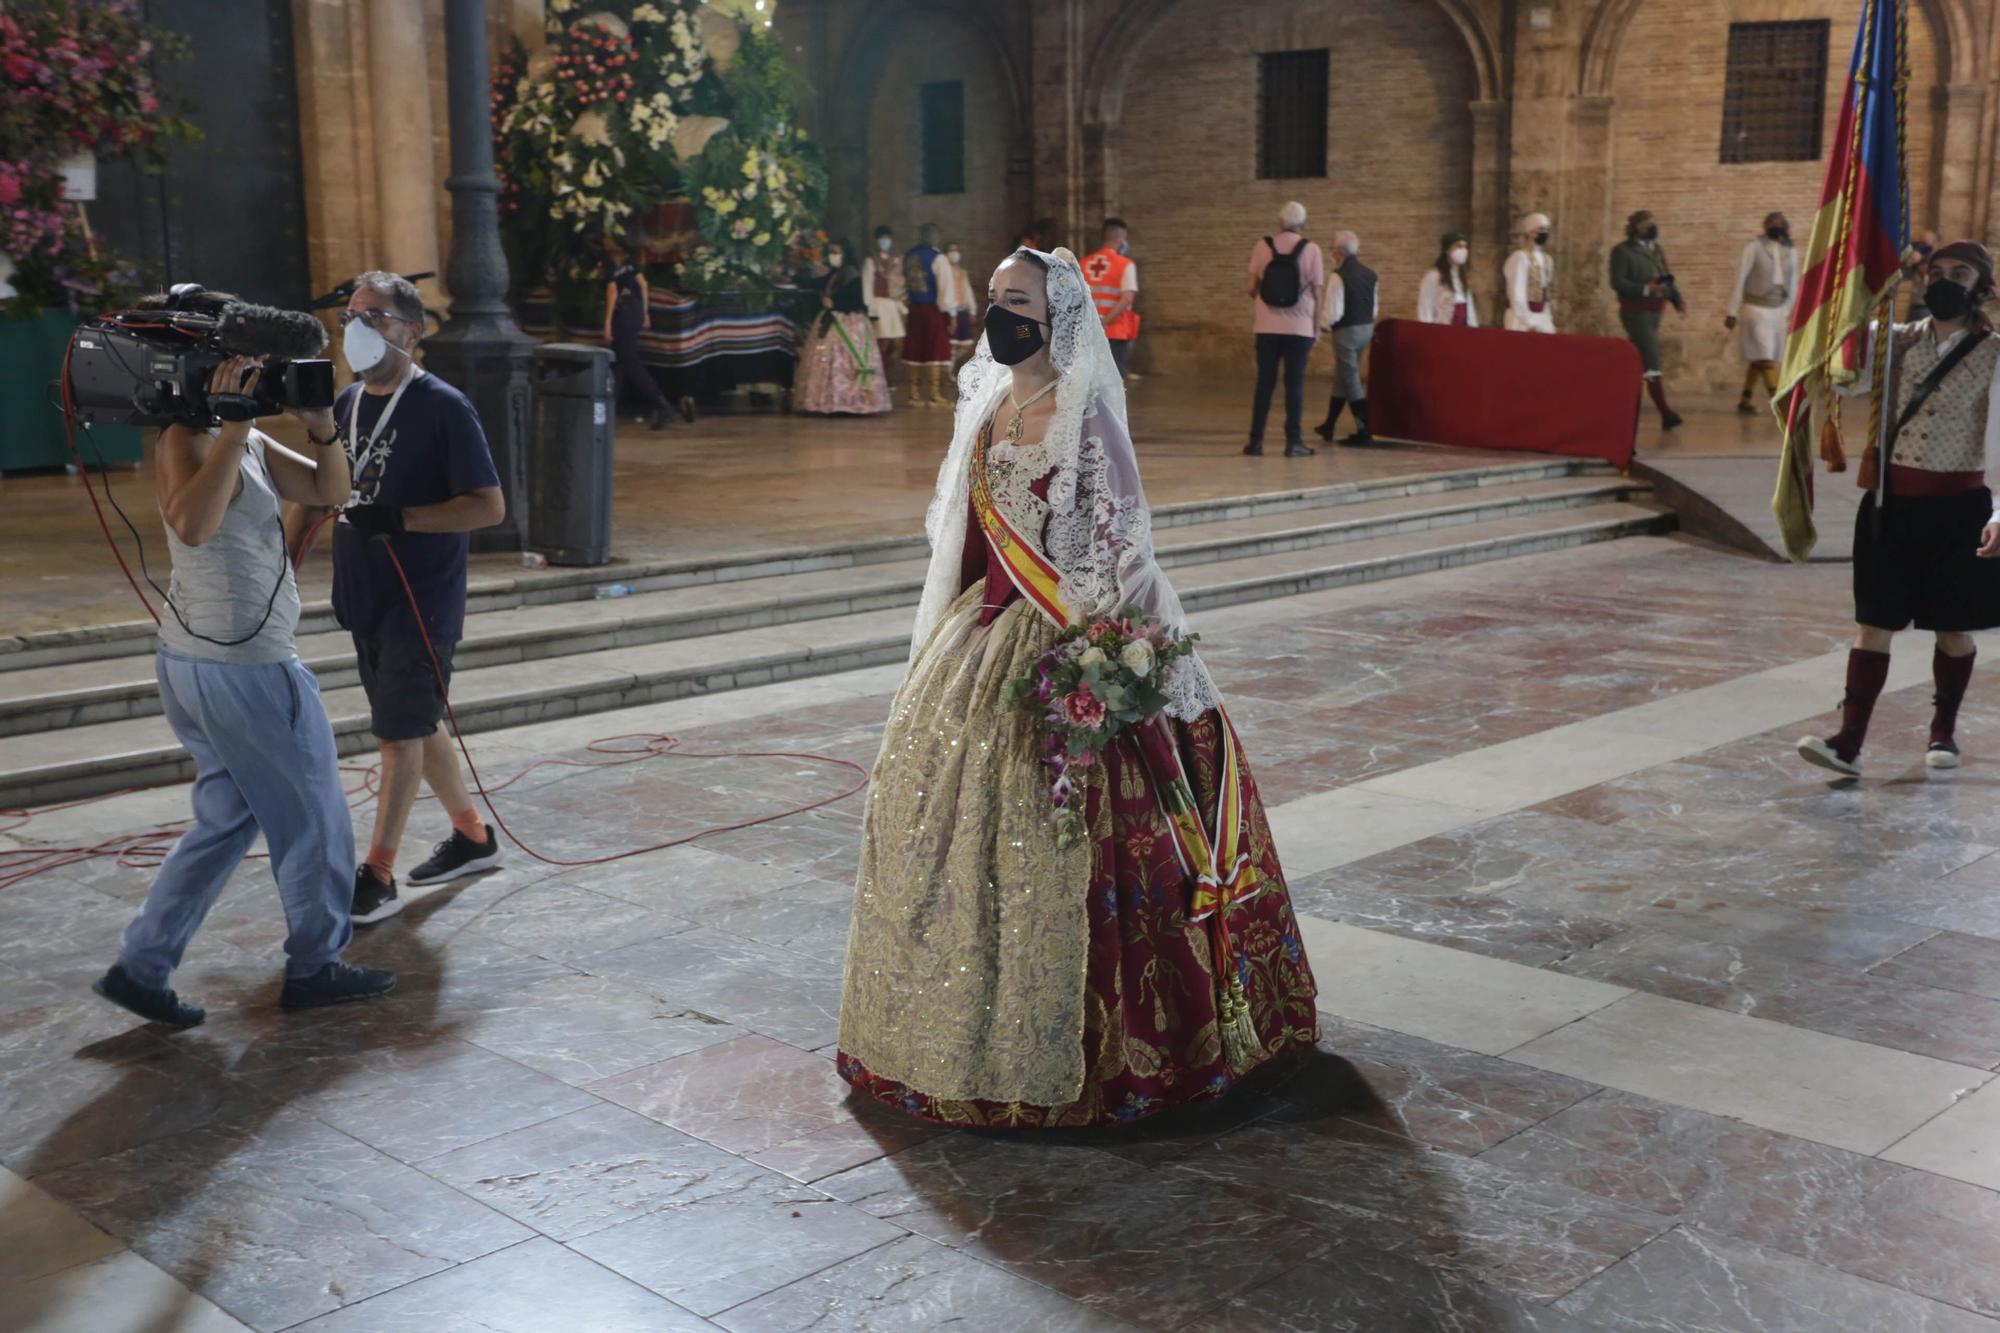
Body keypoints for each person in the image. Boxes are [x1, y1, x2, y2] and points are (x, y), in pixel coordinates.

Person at [836, 246, 1320, 1127]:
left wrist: (1110, 665)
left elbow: (1120, 552)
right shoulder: (989, 404)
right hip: (984, 641)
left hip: (1071, 641)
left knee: (1080, 842)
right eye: (992, 298)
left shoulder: (1084, 413)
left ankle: (1111, 1050)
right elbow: (970, 543)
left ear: (1056, 311)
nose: (999, 312)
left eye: (1016, 299)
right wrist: (950, 639)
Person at [94, 321, 396, 1027]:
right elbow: (192, 523)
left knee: (226, 820)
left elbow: (330, 490)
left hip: (204, 660)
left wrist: (321, 426)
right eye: (243, 372)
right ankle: (317, 965)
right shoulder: (188, 437)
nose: (255, 383)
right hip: (243, 666)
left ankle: (142, 964)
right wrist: (231, 432)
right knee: (316, 815)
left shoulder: (251, 439)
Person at [292, 272, 507, 924]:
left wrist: (404, 519)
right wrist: (287, 552)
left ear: (410, 333)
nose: (357, 328)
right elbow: (321, 487)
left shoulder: (444, 406)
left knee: (396, 733)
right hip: (364, 589)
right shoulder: (348, 401)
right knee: (413, 723)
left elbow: (489, 506)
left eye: (375, 317)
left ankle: (379, 872)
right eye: (351, 317)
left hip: (423, 595)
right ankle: (474, 836)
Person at [1798, 242, 2000, 777]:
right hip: (1891, 505)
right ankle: (1848, 742)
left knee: (1953, 630)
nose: (1945, 281)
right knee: (1873, 623)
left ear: (1982, 287)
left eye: (1960, 273)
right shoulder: (1892, 342)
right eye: (1936, 272)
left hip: (1960, 509)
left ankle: (1943, 733)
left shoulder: (1996, 351)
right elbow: (1841, 362)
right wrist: (1864, 292)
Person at [1245, 201, 1325, 457]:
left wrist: (1266, 303)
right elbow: (1317, 292)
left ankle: (1255, 442)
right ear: (1303, 224)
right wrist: (1316, 327)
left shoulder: (1262, 246)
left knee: (1264, 384)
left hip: (1266, 327)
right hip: (1300, 329)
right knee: (1294, 385)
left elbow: (1250, 287)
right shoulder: (1312, 249)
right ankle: (1294, 442)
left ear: (1279, 222)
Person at [794, 237, 891, 415]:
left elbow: (856, 300)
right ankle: (828, 400)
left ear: (845, 254)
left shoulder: (852, 273)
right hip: (833, 318)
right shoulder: (835, 273)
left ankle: (851, 399)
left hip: (848, 322)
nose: (833, 256)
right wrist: (793, 277)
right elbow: (818, 283)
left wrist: (834, 303)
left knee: (844, 361)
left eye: (837, 253)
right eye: (831, 252)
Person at [1610, 209, 1687, 430]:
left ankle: (1620, 404)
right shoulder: (1622, 252)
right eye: (1647, 224)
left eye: (1654, 223)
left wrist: (1677, 300)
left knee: (1637, 362)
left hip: (1655, 312)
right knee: (1651, 357)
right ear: (1636, 227)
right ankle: (1666, 413)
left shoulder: (1657, 250)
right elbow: (1617, 282)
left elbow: (1666, 276)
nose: (1653, 227)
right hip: (1636, 313)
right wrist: (1645, 288)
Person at [1726, 212, 1798, 416]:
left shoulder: (1791, 252)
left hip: (1778, 311)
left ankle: (1745, 400)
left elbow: (1793, 284)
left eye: (1780, 222)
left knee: (1761, 357)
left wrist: (1788, 310)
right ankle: (1779, 404)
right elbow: (1740, 279)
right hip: (1755, 310)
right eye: (1772, 222)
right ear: (1765, 226)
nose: (1777, 225)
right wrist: (1732, 311)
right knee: (1766, 358)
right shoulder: (1753, 248)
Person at [1316, 229, 1380, 447]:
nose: (1333, 255)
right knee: (1343, 375)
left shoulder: (1338, 275)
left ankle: (1364, 430)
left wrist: (1321, 326)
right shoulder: (1371, 274)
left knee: (1351, 379)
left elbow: (1333, 310)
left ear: (1340, 252)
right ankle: (1329, 425)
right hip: (1366, 328)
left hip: (1347, 332)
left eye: (1333, 251)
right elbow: (1374, 307)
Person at [600, 238, 670, 431]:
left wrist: (607, 323)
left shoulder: (608, 261)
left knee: (629, 362)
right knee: (619, 364)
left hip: (622, 314)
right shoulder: (629, 260)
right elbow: (644, 284)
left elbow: (612, 290)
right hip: (636, 310)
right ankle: (608, 410)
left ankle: (660, 403)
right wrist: (645, 312)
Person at [901, 222, 957, 407]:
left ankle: (914, 394)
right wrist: (951, 314)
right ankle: (934, 395)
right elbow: (946, 288)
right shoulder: (938, 258)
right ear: (935, 237)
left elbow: (901, 284)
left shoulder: (908, 256)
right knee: (934, 349)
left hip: (913, 310)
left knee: (914, 348)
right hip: (933, 310)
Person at [1083, 217, 1140, 379]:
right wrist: (1104, 322)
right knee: (1113, 381)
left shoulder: (1083, 263)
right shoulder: (1125, 264)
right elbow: (1127, 298)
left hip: (1087, 332)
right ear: (1121, 238)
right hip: (1114, 331)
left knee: (1089, 378)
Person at [861, 225, 907, 386]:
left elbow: (899, 285)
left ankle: (886, 373)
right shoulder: (871, 260)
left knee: (896, 343)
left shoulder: (895, 260)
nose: (884, 241)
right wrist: (868, 307)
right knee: (881, 342)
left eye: (887, 238)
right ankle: (878, 377)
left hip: (891, 305)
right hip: (877, 303)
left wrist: (901, 305)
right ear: (876, 240)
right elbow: (867, 284)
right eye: (881, 238)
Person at [1503, 212, 1557, 333]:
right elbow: (1517, 293)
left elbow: (1545, 292)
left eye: (1547, 229)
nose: (1545, 233)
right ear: (1530, 232)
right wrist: (1528, 321)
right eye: (1541, 229)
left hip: (1541, 317)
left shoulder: (1547, 259)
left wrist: (1547, 317)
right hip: (1521, 319)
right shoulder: (1520, 257)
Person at [1417, 232, 1479, 327]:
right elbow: (1425, 307)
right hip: (1442, 330)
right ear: (1447, 250)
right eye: (1458, 246)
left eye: (1465, 247)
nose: (1463, 250)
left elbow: (1469, 310)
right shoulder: (1434, 276)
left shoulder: (1462, 277)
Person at [945, 238, 979, 371]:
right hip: (949, 312)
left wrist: (972, 310)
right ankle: (948, 372)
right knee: (951, 344)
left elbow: (968, 290)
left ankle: (949, 366)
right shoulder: (944, 271)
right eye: (951, 250)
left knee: (965, 344)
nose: (954, 253)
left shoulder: (962, 272)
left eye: (956, 250)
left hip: (962, 311)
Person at [1909, 229, 1941, 321]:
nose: (1921, 246)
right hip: (1914, 306)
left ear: (1934, 244)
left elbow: (1926, 276)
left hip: (1924, 308)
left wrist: (1919, 261)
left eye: (1925, 243)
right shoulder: (1920, 259)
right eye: (1921, 242)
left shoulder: (1935, 260)